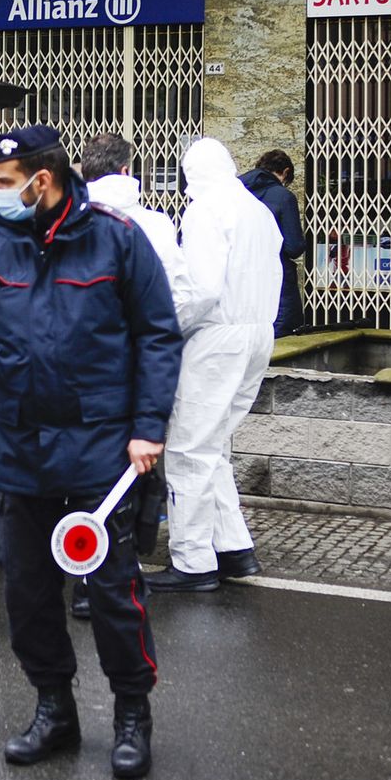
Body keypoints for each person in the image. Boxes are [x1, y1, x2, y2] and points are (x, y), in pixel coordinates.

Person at [0, 126, 184, 780]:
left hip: (103, 447)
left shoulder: (115, 238)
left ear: (40, 181)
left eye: (3, 182)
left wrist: (149, 427)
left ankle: (132, 712)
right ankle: (55, 709)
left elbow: (159, 334)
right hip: (21, 447)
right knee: (28, 593)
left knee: (112, 591)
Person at [65, 133, 193, 620]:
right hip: (133, 367)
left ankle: (78, 574)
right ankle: (110, 576)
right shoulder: (154, 225)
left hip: (76, 368)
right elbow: (179, 295)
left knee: (79, 469)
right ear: (125, 172)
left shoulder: (62, 219)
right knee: (123, 474)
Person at [149, 138, 282, 593]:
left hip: (218, 336)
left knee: (188, 448)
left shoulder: (207, 210)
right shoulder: (258, 210)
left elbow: (202, 291)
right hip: (257, 334)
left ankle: (192, 560)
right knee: (214, 445)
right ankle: (233, 547)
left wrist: (169, 329)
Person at [238, 150, 305, 337]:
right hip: (276, 276)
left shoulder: (239, 193)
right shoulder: (283, 196)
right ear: (285, 171)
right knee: (280, 332)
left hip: (243, 276)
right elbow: (294, 247)